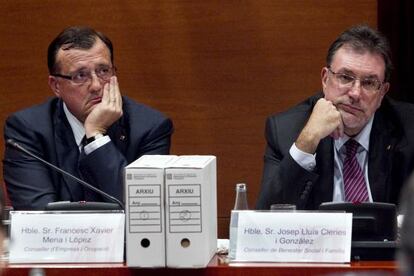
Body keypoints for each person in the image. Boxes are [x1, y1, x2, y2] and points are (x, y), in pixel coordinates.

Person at [3, 26, 173, 210]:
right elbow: (39, 216)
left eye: (103, 71)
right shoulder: (27, 130)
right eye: (80, 75)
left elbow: (141, 210)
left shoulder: (150, 128)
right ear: (56, 86)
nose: (96, 85)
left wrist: (96, 138)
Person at [257, 25, 414, 210]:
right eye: (345, 77)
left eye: (369, 83)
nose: (355, 93)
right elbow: (266, 220)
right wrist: (308, 140)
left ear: (382, 93)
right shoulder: (286, 131)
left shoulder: (408, 128)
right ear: (325, 79)